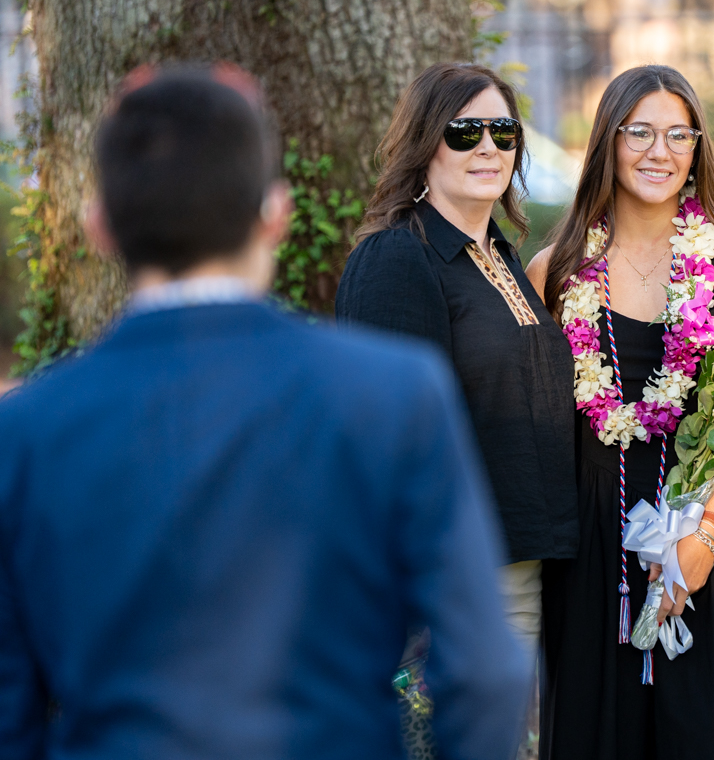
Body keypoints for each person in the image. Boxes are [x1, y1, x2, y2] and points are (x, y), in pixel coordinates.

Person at [0, 66, 529, 760]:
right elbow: (489, 669)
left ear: (99, 226)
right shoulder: (394, 394)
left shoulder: (27, 430)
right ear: (276, 214)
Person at [527, 65, 714, 760]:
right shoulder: (556, 271)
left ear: (698, 150)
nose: (659, 151)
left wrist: (702, 540)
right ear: (608, 142)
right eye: (639, 131)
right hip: (594, 559)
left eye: (679, 134)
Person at [337, 62, 577, 658]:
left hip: (530, 551)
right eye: (465, 131)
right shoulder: (396, 257)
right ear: (425, 143)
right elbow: (387, 432)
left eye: (504, 131)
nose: (489, 147)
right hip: (458, 569)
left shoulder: (499, 255)